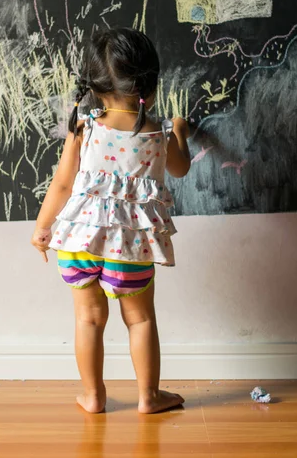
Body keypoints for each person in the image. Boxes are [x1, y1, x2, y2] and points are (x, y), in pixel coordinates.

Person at [31, 28, 191, 413]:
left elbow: (63, 183)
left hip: (77, 241)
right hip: (129, 246)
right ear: (149, 86)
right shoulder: (157, 133)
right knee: (139, 320)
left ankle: (93, 396)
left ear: (96, 87)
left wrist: (42, 228)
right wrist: (181, 131)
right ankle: (149, 397)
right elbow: (181, 169)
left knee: (88, 319)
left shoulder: (85, 127)